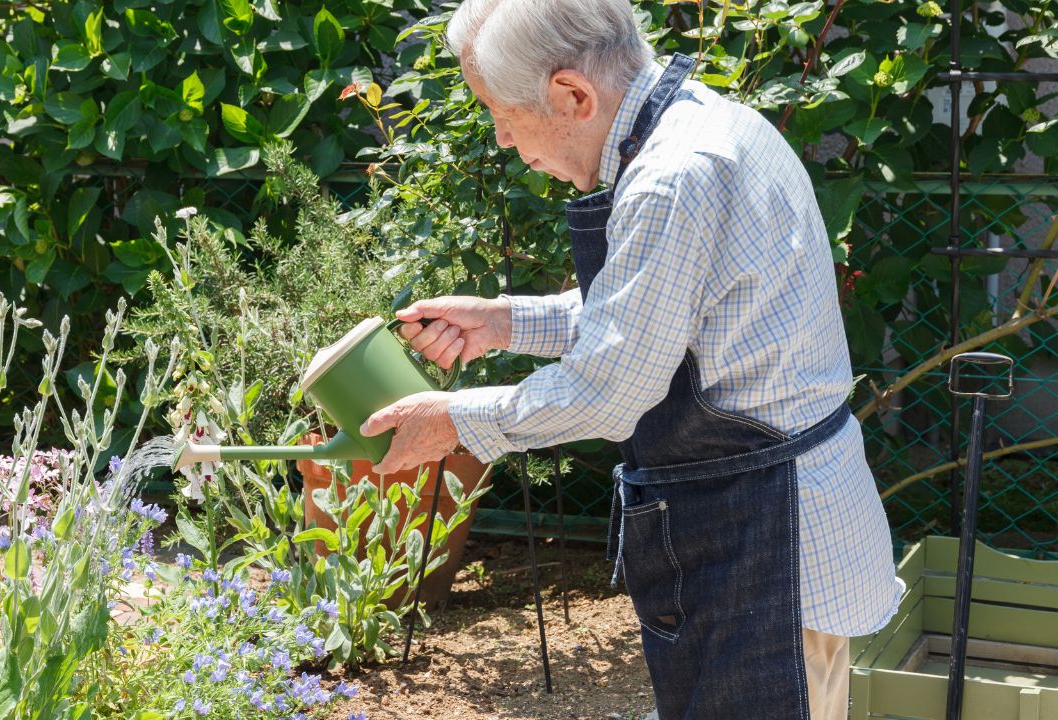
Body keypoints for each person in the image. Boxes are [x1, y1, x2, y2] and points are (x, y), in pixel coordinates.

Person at [356, 0, 903, 717]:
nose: (502, 139)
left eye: (503, 114)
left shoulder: (674, 175)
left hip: (768, 543)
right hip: (762, 524)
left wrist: (457, 421)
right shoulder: (704, 122)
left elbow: (609, 388)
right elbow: (654, 314)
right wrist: (502, 322)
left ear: (572, 95)